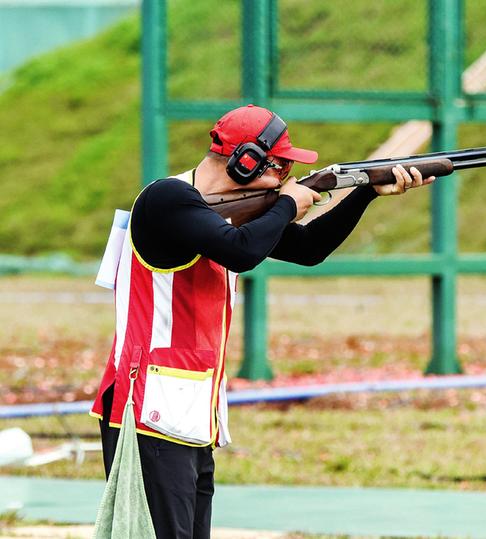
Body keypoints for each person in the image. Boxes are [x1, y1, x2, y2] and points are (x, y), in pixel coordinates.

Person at [89, 104, 434, 538]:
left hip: (190, 409)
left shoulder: (226, 212)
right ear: (246, 161)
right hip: (147, 406)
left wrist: (365, 191)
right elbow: (241, 251)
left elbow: (309, 249)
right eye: (281, 165)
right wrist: (289, 203)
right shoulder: (168, 200)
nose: (287, 175)